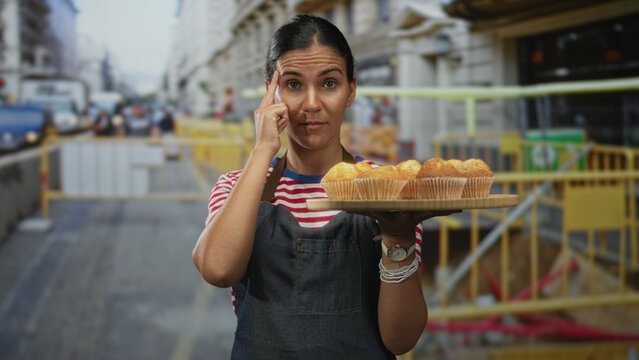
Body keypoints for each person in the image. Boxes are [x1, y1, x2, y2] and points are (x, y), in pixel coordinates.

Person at [192, 15, 455, 359]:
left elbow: (400, 339)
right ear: (271, 93)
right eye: (294, 84)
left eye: (329, 83)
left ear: (351, 90)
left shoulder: (386, 186)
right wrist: (262, 151)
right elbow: (217, 269)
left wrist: (400, 239)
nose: (312, 103)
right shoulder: (237, 186)